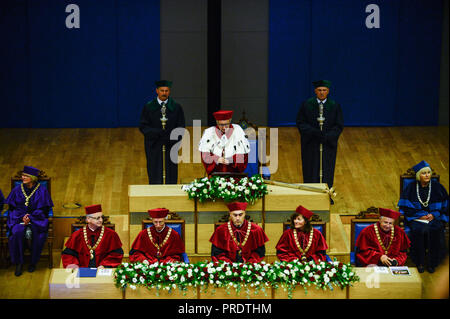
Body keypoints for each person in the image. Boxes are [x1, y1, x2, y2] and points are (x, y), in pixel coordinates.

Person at [398, 160, 449, 273]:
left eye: (428, 173)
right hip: (416, 218)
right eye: (424, 173)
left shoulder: (437, 187)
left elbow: (445, 205)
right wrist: (421, 216)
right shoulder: (411, 188)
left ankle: (432, 263)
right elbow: (406, 207)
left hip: (434, 218)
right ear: (418, 175)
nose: (427, 175)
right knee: (419, 230)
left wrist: (434, 214)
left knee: (435, 229)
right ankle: (419, 262)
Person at [5, 166, 53, 276]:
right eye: (23, 175)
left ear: (32, 177)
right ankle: (19, 263)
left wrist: (30, 217)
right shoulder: (17, 190)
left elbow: (44, 209)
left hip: (37, 219)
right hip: (19, 218)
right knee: (17, 233)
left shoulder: (42, 190)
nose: (23, 177)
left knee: (37, 235)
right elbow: (12, 208)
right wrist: (22, 217)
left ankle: (33, 262)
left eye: (26, 176)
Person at [296, 80, 344, 191]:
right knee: (310, 167)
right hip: (311, 143)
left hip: (327, 144)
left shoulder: (334, 106)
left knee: (327, 167)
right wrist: (314, 132)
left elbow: (339, 125)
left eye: (324, 90)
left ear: (328, 91)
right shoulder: (307, 105)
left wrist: (328, 136)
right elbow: (300, 123)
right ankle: (311, 192)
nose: (322, 92)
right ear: (315, 91)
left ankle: (326, 192)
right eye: (319, 90)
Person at [139, 80, 185, 184]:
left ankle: (170, 189)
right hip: (154, 144)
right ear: (157, 91)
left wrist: (171, 137)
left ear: (169, 91)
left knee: (171, 168)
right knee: (154, 167)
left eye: (166, 91)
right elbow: (143, 126)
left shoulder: (176, 107)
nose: (164, 93)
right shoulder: (149, 107)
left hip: (170, 143)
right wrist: (157, 133)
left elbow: (181, 127)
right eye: (162, 90)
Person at [61, 204, 123, 268]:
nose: (101, 220)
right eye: (97, 218)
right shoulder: (77, 235)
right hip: (81, 271)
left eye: (102, 217)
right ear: (88, 219)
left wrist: (105, 265)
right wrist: (74, 265)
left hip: (102, 271)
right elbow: (68, 255)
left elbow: (116, 255)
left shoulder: (111, 234)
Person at [198, 110, 250, 177]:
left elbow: (244, 155)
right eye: (221, 125)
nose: (224, 127)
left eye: (226, 124)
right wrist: (216, 158)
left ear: (230, 121)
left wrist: (232, 160)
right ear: (217, 123)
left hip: (234, 174)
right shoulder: (209, 132)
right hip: (216, 174)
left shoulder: (238, 131)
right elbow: (204, 155)